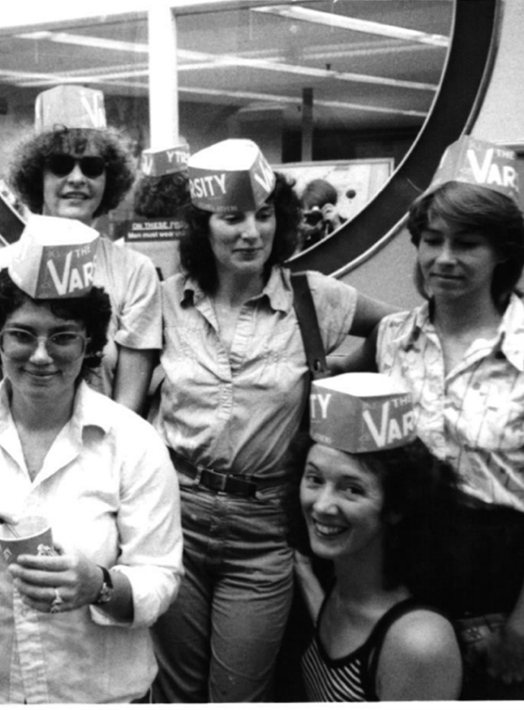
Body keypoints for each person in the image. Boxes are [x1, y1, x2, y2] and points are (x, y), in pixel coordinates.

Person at [149, 139, 398, 703]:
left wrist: (340, 374)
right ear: (202, 227)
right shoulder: (164, 301)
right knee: (175, 693)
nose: (251, 232)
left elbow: (403, 330)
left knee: (239, 694)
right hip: (174, 515)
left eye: (264, 215)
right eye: (232, 218)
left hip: (263, 529)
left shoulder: (315, 298)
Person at [0, 216, 184, 704]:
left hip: (97, 693)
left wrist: (99, 586)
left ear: (90, 344)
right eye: (23, 335)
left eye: (63, 336)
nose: (41, 355)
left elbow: (160, 575)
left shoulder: (132, 441)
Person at [342, 136, 524, 699]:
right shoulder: (391, 338)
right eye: (432, 240)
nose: (444, 258)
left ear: (503, 252)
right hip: (406, 584)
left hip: (502, 591)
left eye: (467, 243)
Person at [0, 84, 161, 415]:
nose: (77, 178)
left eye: (92, 167)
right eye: (61, 165)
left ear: (109, 179)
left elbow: (129, 407)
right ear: (36, 176)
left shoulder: (135, 272)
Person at [291, 372, 463, 701]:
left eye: (352, 489)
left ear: (397, 505)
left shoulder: (419, 642)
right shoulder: (340, 589)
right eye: (314, 479)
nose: (322, 505)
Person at [299, 178, 345, 249]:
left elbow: (348, 249)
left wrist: (337, 225)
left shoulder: (343, 225)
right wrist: (301, 236)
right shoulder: (306, 231)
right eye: (310, 215)